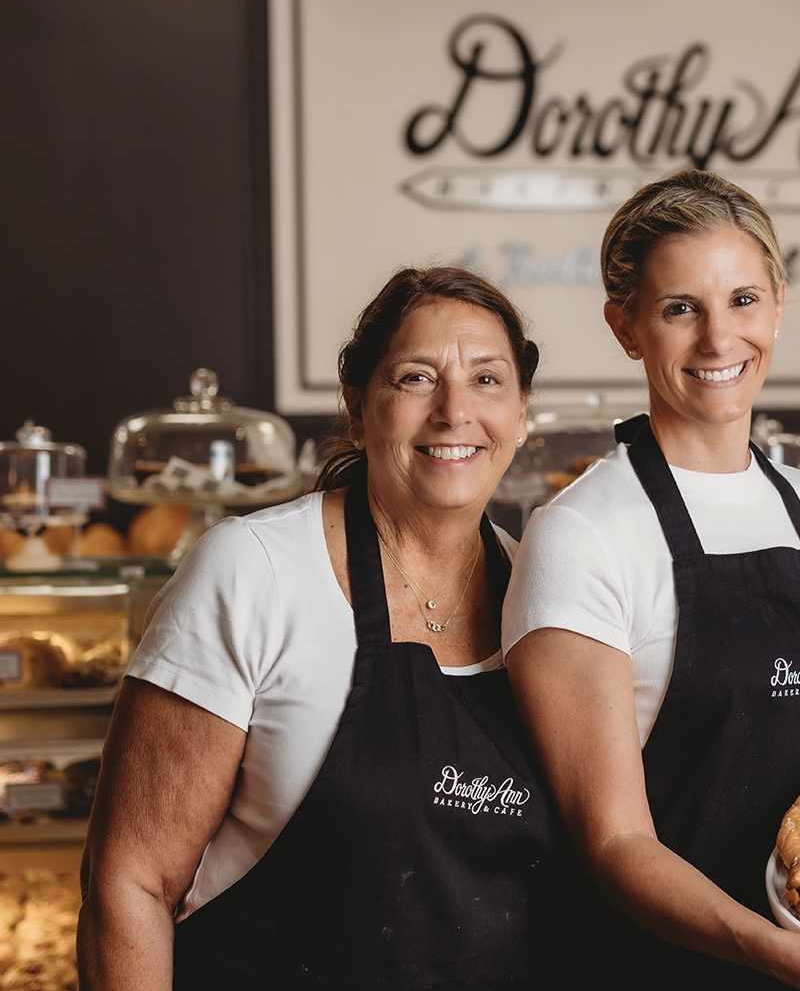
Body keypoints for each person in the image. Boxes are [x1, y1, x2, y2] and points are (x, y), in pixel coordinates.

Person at [503, 170, 800, 991]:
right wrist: (781, 951)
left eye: (742, 300)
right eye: (680, 308)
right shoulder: (582, 534)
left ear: (778, 304)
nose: (718, 339)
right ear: (625, 327)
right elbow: (613, 841)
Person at [78, 267, 567, 989]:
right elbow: (130, 885)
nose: (454, 411)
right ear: (358, 410)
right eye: (416, 378)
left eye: (487, 381)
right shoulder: (254, 571)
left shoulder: (549, 600)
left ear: (521, 414)